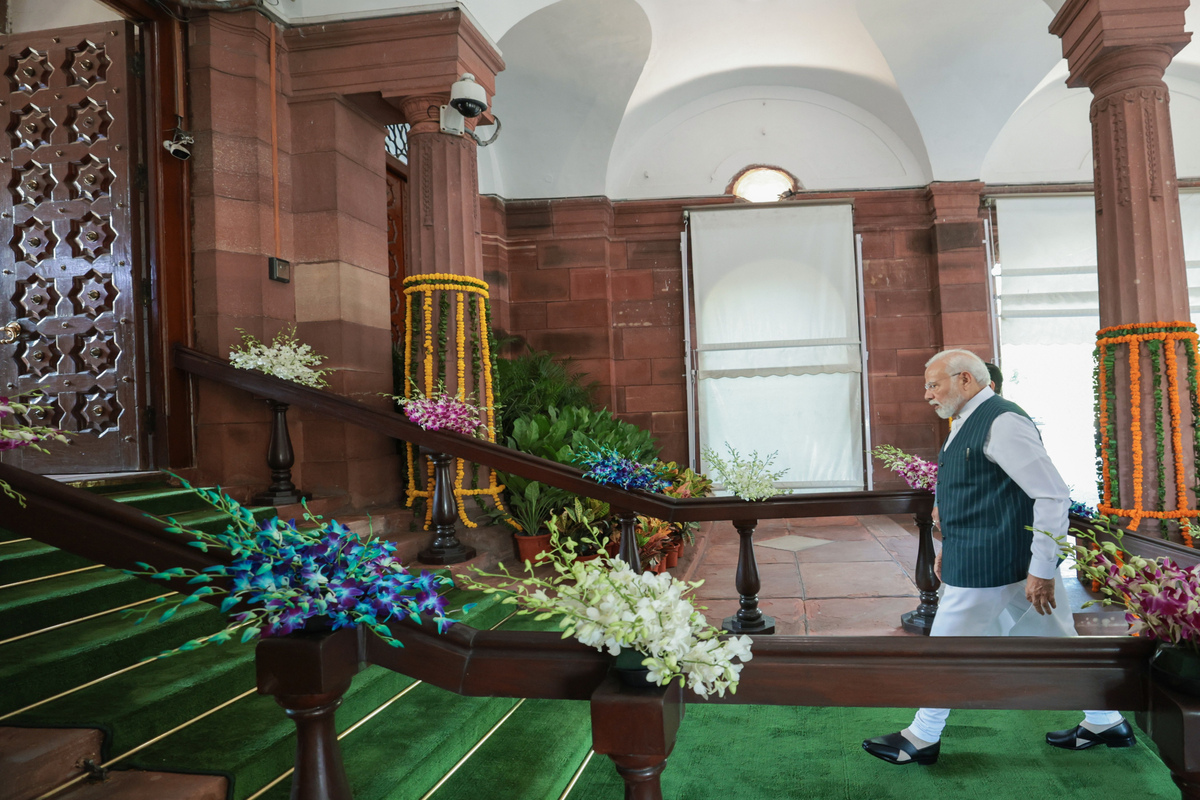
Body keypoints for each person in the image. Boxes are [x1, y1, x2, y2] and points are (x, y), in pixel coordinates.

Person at [861, 349, 1132, 766]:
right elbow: (973, 494)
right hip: (991, 559)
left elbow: (1052, 493)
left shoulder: (1002, 421)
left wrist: (1041, 570)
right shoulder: (968, 420)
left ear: (966, 379)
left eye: (934, 384)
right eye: (926, 387)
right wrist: (948, 546)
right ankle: (1106, 720)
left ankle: (922, 736)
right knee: (1057, 643)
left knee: (947, 647)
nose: (928, 395)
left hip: (992, 564)